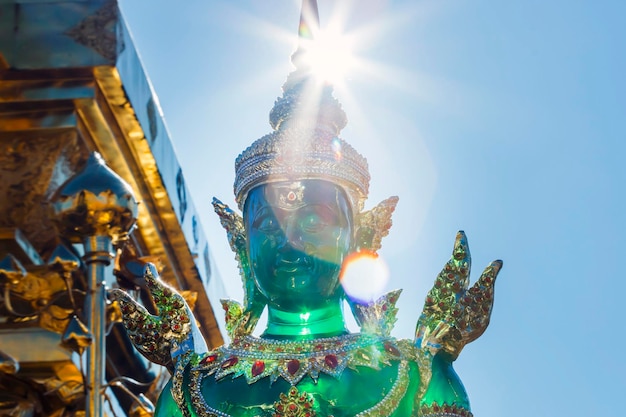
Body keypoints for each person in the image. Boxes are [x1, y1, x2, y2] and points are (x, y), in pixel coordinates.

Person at [114, 2, 502, 416]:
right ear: (243, 244)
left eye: (314, 220)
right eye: (267, 223)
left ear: (359, 240)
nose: (288, 241)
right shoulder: (194, 389)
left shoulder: (413, 376)